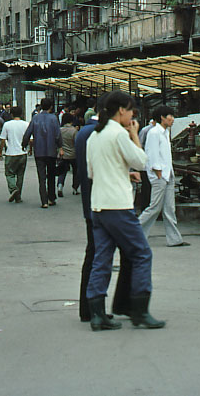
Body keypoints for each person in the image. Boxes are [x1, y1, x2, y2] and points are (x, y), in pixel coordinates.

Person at [85, 91, 164, 331]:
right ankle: (139, 310)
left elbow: (91, 173)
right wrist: (133, 135)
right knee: (141, 254)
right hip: (118, 205)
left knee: (102, 258)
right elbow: (141, 162)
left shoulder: (94, 136)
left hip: (98, 205)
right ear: (121, 110)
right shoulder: (119, 134)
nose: (132, 116)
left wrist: (120, 171)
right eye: (131, 111)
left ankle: (97, 314)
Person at [75, 95, 132, 322]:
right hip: (108, 204)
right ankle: (122, 304)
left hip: (92, 203)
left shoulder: (84, 133)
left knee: (94, 255)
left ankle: (88, 308)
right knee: (129, 252)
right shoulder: (101, 134)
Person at [138, 105, 188, 247]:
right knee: (154, 207)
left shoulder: (165, 132)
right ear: (162, 118)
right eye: (170, 116)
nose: (172, 119)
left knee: (169, 208)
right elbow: (151, 153)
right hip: (160, 175)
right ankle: (134, 233)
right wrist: (158, 171)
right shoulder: (154, 133)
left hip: (168, 174)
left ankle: (174, 239)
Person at [21, 98, 62, 209]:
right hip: (51, 151)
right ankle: (51, 198)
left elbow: (28, 133)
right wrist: (60, 147)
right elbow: (58, 135)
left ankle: (44, 201)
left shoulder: (35, 118)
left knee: (41, 177)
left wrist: (24, 144)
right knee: (51, 175)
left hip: (39, 151)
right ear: (51, 107)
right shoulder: (54, 118)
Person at [0, 107, 29, 203]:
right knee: (20, 175)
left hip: (10, 153)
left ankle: (13, 189)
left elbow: (3, 139)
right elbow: (31, 139)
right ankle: (18, 196)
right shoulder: (26, 124)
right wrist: (30, 150)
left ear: (11, 114)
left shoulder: (7, 124)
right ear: (21, 114)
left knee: (9, 173)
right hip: (22, 153)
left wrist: (0, 152)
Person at [57, 113, 79, 197]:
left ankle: (60, 186)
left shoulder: (60, 130)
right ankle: (75, 188)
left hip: (63, 154)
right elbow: (77, 143)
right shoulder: (74, 131)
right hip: (73, 154)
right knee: (76, 171)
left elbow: (57, 142)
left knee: (62, 171)